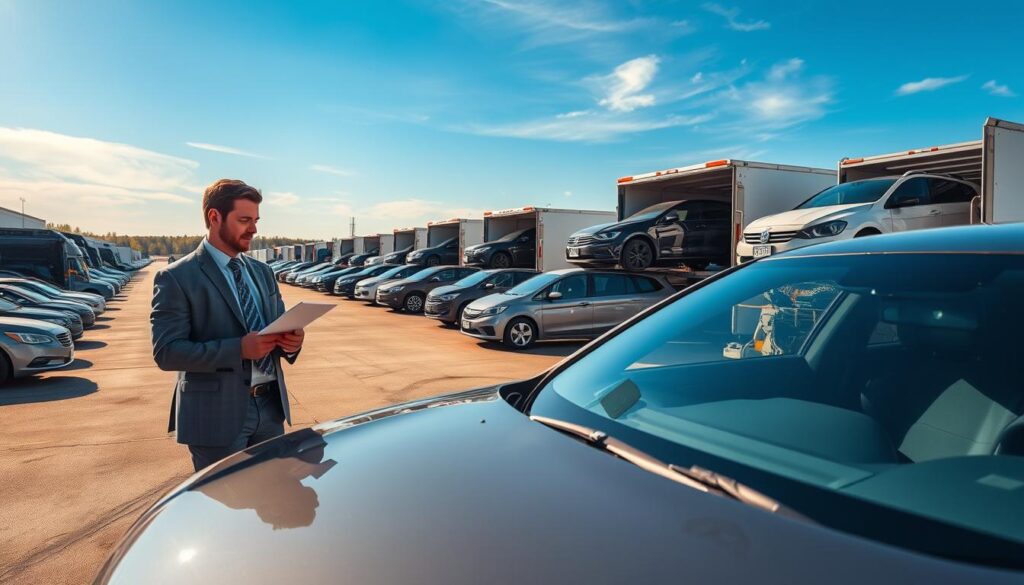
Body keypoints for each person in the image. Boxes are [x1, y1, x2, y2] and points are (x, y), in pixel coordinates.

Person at [151, 179, 305, 471]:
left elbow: (280, 324)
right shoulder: (176, 277)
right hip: (215, 417)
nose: (254, 229)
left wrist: (292, 343)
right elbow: (167, 352)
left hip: (271, 409)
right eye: (244, 220)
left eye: (256, 220)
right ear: (214, 217)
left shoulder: (263, 272)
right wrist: (239, 349)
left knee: (271, 499)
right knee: (225, 510)